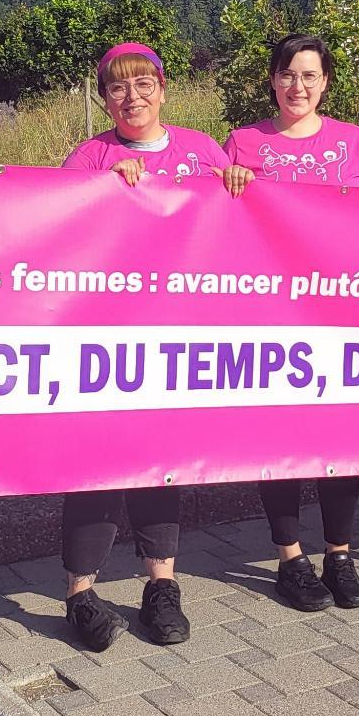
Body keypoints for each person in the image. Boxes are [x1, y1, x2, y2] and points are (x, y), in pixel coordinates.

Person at [56, 42, 251, 651]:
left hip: (176, 336)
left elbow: (239, 229)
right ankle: (80, 594)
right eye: (117, 87)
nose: (132, 97)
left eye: (144, 84)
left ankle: (161, 587)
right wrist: (102, 191)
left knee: (161, 461)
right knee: (96, 465)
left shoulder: (202, 151)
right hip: (106, 337)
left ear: (163, 89)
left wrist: (239, 182)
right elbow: (58, 229)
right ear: (104, 98)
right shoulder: (90, 156)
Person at [224, 33, 359, 613]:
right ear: (273, 80)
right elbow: (220, 220)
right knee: (283, 438)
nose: (298, 86)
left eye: (310, 75)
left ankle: (339, 554)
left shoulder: (355, 142)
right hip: (274, 316)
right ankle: (290, 558)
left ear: (325, 83)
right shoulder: (243, 142)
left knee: (341, 437)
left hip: (342, 313)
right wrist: (230, 185)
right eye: (288, 74)